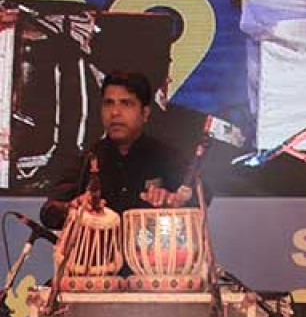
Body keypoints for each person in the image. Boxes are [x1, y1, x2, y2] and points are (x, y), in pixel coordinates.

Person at [40, 72, 193, 230]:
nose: (115, 113)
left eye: (126, 103)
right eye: (109, 103)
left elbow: (197, 198)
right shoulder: (88, 159)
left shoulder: (165, 157)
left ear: (145, 113)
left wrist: (173, 200)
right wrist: (71, 208)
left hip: (149, 244)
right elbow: (48, 213)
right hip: (99, 246)